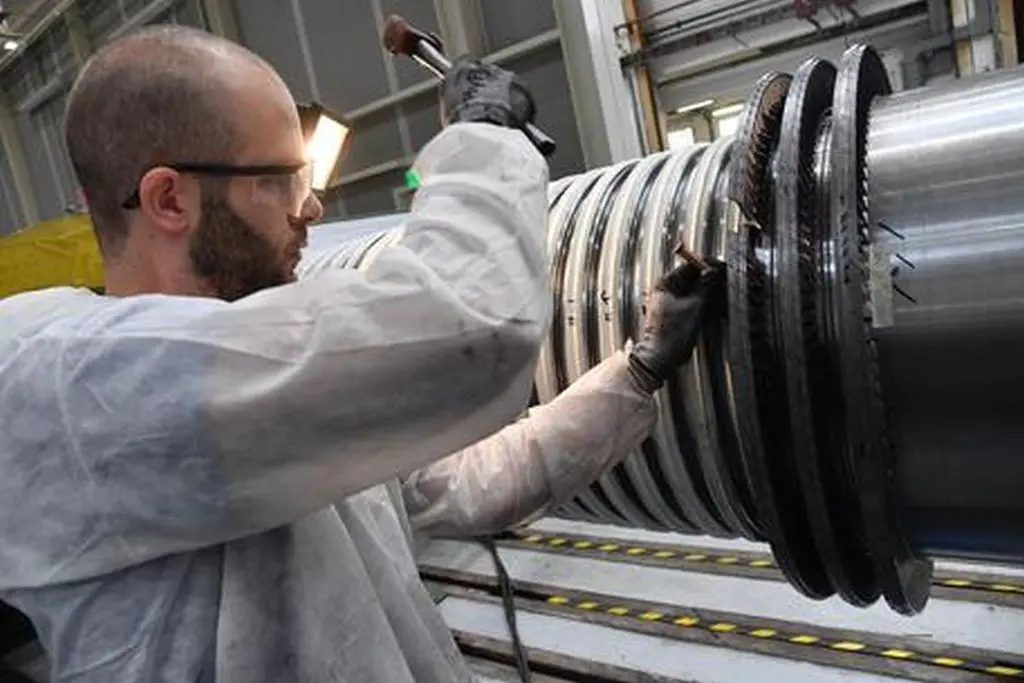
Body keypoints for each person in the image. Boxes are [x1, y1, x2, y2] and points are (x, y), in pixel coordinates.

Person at [0, 25, 722, 683]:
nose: (311, 206)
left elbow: (459, 480)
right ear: (168, 199)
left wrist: (638, 370)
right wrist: (484, 141)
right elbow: (473, 327)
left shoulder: (272, 372)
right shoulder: (67, 383)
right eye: (283, 178)